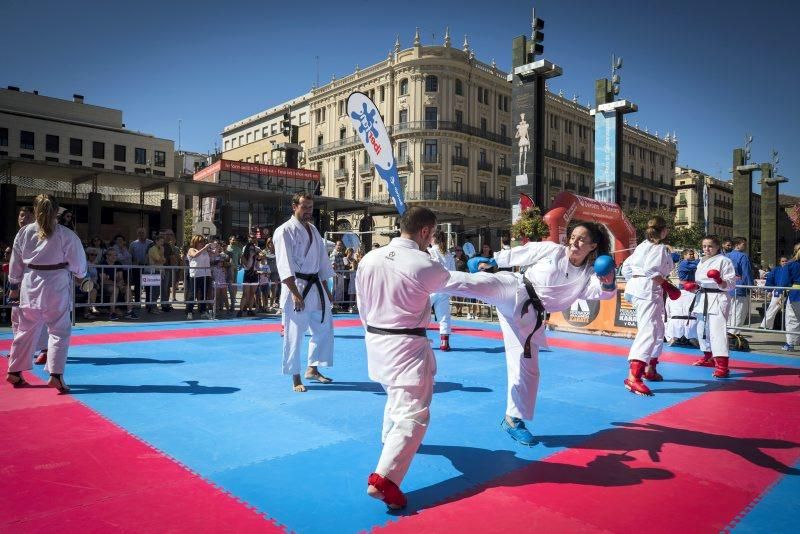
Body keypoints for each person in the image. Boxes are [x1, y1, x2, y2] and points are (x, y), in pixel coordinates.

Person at [443, 223, 617, 446]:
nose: (574, 242)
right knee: (475, 283)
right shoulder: (553, 250)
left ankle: (513, 420)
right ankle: (424, 278)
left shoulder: (588, 275)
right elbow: (525, 252)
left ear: (593, 245)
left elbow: (603, 294)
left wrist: (609, 283)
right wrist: (496, 260)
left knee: (529, 370)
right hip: (515, 289)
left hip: (530, 318)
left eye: (582, 239)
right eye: (573, 236)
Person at [357, 206, 450, 510]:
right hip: (407, 343)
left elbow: (362, 303)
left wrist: (373, 333)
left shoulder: (369, 258)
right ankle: (384, 479)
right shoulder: (424, 263)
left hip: (375, 339)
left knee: (395, 395)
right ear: (426, 231)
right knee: (414, 413)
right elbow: (450, 280)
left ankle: (388, 438)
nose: (432, 239)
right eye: (432, 233)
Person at [6, 195, 87, 393]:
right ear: (57, 211)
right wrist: (81, 275)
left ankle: (15, 371)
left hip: (30, 282)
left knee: (25, 329)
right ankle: (56, 375)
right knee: (58, 331)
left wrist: (14, 285)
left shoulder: (24, 232)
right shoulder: (65, 234)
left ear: (35, 210)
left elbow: (15, 263)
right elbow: (78, 265)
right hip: (56, 284)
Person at [274, 192, 335, 392]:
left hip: (315, 287)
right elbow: (284, 265)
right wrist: (294, 292)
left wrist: (326, 290)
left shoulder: (314, 230)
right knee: (295, 334)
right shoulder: (284, 231)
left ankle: (313, 368)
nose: (309, 211)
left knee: (324, 327)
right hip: (297, 286)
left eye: (311, 207)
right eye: (305, 207)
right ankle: (296, 377)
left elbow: (322, 263)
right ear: (294, 207)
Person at [620, 216, 679, 396]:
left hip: (641, 289)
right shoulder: (659, 248)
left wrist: (635, 282)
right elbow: (652, 271)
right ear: (663, 231)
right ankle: (633, 376)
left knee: (658, 328)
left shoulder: (641, 247)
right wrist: (668, 285)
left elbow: (626, 268)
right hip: (648, 290)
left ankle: (649, 369)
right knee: (649, 330)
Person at [690, 235, 737, 377]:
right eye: (704, 246)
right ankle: (708, 356)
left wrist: (719, 279)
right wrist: (693, 287)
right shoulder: (701, 261)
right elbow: (700, 282)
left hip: (718, 297)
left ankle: (722, 365)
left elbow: (731, 284)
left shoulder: (724, 261)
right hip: (702, 297)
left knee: (717, 331)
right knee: (701, 329)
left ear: (717, 247)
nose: (707, 249)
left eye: (710, 246)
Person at [8, 206, 49, 365]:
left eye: (25, 215)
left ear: (34, 217)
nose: (22, 218)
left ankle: (45, 349)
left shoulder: (45, 233)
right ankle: (19, 350)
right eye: (20, 215)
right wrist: (13, 285)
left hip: (39, 282)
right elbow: (15, 262)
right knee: (17, 316)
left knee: (39, 317)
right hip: (23, 281)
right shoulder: (22, 234)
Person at [428, 230, 455, 351]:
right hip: (444, 288)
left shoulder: (430, 251)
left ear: (433, 238)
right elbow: (453, 272)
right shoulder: (449, 254)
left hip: (431, 287)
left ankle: (416, 340)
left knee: (419, 313)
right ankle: (445, 343)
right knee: (444, 316)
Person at [97, 248, 136, 320]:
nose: (114, 257)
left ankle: (130, 311)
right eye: (111, 255)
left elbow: (120, 277)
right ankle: (112, 313)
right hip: (104, 285)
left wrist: (120, 282)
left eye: (115, 255)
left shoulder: (118, 263)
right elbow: (104, 280)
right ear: (107, 256)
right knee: (115, 289)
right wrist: (116, 283)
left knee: (127, 288)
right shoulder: (102, 264)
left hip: (116, 284)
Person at [726, 237, 754, 335]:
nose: (745, 246)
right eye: (744, 244)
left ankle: (727, 331)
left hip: (727, 286)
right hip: (740, 286)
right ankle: (734, 333)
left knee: (728, 311)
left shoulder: (726, 255)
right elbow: (747, 273)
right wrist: (751, 286)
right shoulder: (743, 256)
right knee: (739, 311)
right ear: (737, 245)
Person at [778, 246, 800, 350]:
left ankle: (790, 344)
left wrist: (779, 294)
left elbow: (784, 282)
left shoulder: (790, 264)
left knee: (792, 319)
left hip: (796, 294)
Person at [186, 234, 213, 320]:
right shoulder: (191, 249)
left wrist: (215, 247)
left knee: (203, 294)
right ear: (195, 242)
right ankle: (189, 311)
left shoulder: (205, 251)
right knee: (192, 294)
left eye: (203, 242)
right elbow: (195, 255)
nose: (202, 243)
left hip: (205, 274)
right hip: (195, 274)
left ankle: (203, 311)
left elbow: (214, 256)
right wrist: (205, 248)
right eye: (200, 242)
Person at [665, 281, 700, 347]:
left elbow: (668, 313)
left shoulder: (670, 297)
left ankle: (671, 337)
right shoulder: (697, 296)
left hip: (675, 323)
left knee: (667, 320)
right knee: (700, 320)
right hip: (692, 323)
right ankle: (694, 337)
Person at [760, 257, 788, 331]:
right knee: (772, 308)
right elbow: (770, 279)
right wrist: (769, 290)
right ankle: (765, 325)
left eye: (786, 261)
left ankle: (767, 326)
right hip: (778, 291)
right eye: (783, 261)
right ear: (780, 262)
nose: (784, 262)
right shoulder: (776, 270)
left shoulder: (789, 269)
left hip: (789, 292)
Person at [129, 228, 153, 306]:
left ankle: (148, 303)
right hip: (137, 267)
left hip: (147, 267)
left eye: (143, 233)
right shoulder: (133, 244)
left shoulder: (151, 243)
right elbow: (130, 255)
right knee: (137, 285)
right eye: (139, 233)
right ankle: (137, 302)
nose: (141, 234)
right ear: (137, 234)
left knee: (148, 286)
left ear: (146, 234)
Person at [238, 236, 260, 317]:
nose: (252, 250)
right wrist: (251, 257)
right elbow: (248, 265)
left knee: (252, 293)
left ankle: (250, 310)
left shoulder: (256, 256)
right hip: (247, 275)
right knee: (245, 294)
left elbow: (257, 266)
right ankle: (241, 310)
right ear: (247, 249)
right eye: (250, 249)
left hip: (254, 275)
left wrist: (257, 260)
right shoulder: (243, 257)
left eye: (253, 249)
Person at [146, 234, 167, 314]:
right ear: (156, 241)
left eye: (163, 241)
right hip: (154, 271)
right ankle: (152, 307)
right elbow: (158, 259)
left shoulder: (161, 248)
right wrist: (161, 258)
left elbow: (164, 260)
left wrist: (161, 258)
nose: (162, 243)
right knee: (154, 290)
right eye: (161, 241)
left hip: (160, 270)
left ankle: (153, 306)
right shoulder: (153, 249)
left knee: (158, 290)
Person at [226, 236, 243, 311]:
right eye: (233, 240)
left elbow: (241, 257)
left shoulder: (238, 249)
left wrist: (241, 264)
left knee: (234, 284)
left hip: (235, 269)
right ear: (229, 240)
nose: (234, 241)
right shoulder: (226, 248)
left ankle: (234, 299)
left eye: (235, 240)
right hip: (226, 269)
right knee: (225, 285)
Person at [330, 240, 346, 310]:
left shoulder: (340, 254)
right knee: (335, 290)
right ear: (335, 246)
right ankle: (334, 305)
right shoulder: (334, 254)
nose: (340, 246)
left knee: (339, 290)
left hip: (340, 274)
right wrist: (335, 273)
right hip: (336, 274)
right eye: (338, 245)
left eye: (341, 245)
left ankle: (336, 305)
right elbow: (333, 265)